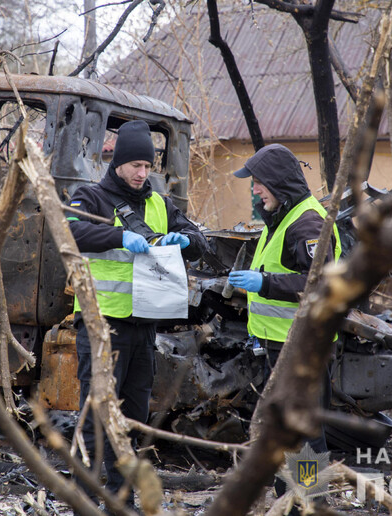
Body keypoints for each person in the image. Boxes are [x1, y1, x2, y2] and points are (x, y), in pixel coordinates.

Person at [67, 120, 207, 508]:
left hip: (144, 327)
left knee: (133, 414)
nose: (142, 173)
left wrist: (187, 242)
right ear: (118, 164)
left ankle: (121, 496)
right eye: (135, 166)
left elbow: (200, 241)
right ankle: (84, 495)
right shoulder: (91, 197)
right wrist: (118, 235)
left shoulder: (160, 204)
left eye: (148, 166)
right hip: (102, 326)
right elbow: (71, 231)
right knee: (96, 412)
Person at [227, 143, 341, 505]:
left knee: (304, 434)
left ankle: (312, 503)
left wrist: (264, 283)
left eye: (259, 183)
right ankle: (288, 500)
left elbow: (320, 284)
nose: (256, 191)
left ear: (277, 182)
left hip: (301, 346)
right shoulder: (283, 216)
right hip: (280, 344)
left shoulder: (307, 222)